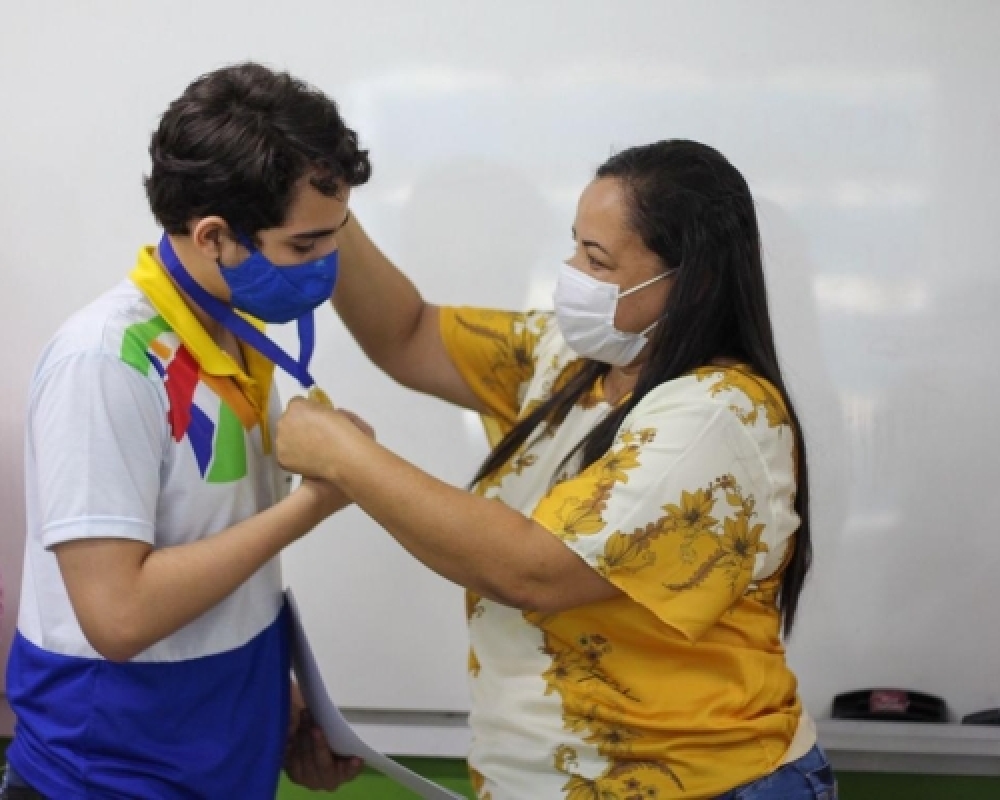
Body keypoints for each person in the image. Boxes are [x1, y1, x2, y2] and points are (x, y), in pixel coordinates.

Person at [276, 140, 838, 799]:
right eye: (575, 245)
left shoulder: (717, 416)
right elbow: (407, 333)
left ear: (695, 281)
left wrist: (344, 457)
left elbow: (532, 569)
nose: (569, 272)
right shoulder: (571, 361)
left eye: (596, 259)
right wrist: (327, 206)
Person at [2, 63, 370, 799]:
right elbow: (119, 615)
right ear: (213, 237)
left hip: (222, 747)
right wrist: (316, 502)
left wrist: (277, 703)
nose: (328, 265)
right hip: (111, 772)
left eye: (337, 236)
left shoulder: (231, 329)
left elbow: (214, 547)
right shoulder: (105, 363)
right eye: (304, 246)